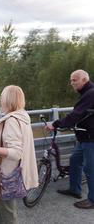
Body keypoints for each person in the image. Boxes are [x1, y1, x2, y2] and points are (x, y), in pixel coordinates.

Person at [0, 85, 38, 224]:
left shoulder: (11, 121)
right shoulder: (22, 116)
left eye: (3, 98)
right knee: (7, 209)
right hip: (15, 172)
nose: (1, 101)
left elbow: (16, 153)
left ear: (7, 100)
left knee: (6, 213)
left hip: (7, 175)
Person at [46, 69, 94, 209]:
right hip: (84, 137)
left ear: (84, 80)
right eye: (71, 80)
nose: (71, 83)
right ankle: (75, 189)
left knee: (90, 169)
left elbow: (76, 115)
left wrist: (56, 124)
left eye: (75, 80)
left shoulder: (90, 94)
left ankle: (92, 200)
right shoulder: (87, 93)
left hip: (91, 138)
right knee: (74, 160)